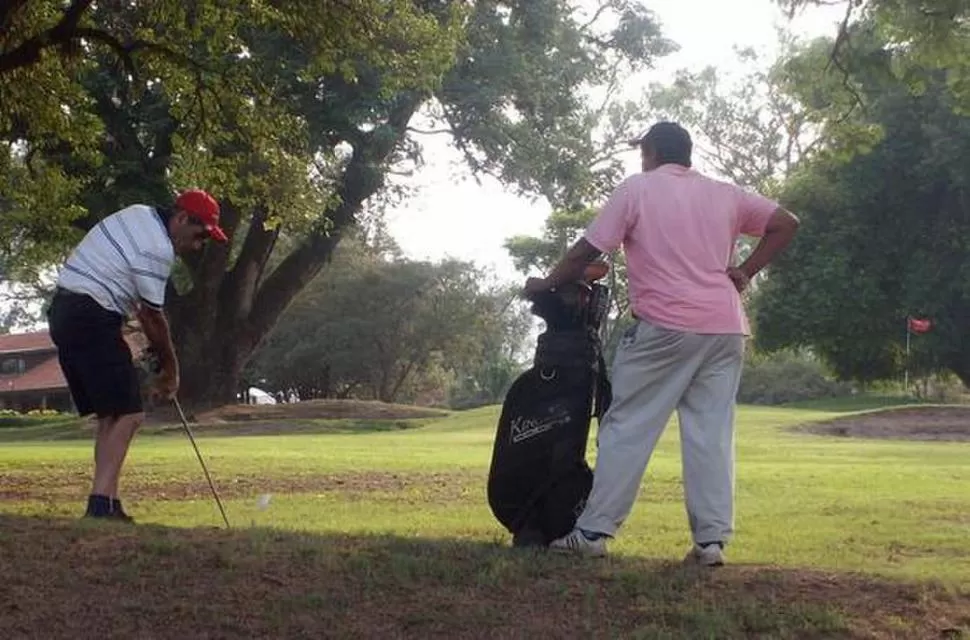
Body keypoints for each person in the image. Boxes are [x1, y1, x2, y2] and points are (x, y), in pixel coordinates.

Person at [523, 122, 799, 565]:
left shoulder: (638, 189)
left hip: (666, 326)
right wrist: (745, 271)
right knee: (710, 433)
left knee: (628, 425)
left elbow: (586, 251)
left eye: (642, 153)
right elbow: (786, 224)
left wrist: (545, 283)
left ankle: (593, 532)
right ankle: (710, 544)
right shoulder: (725, 193)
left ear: (651, 152)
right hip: (725, 327)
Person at [46, 189, 228, 522]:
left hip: (65, 312)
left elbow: (130, 302)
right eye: (200, 235)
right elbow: (152, 317)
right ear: (182, 219)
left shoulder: (138, 212)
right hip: (91, 313)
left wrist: (146, 344)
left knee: (111, 416)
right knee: (131, 414)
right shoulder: (158, 249)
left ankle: (108, 502)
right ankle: (100, 503)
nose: (199, 245)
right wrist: (171, 369)